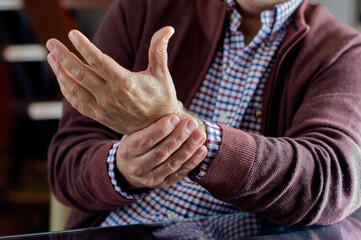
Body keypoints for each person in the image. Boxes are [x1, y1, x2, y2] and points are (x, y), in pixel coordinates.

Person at [46, 0, 361, 234]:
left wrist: (184, 131)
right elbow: (65, 165)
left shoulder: (343, 52)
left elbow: (332, 180)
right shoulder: (142, 8)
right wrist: (121, 168)